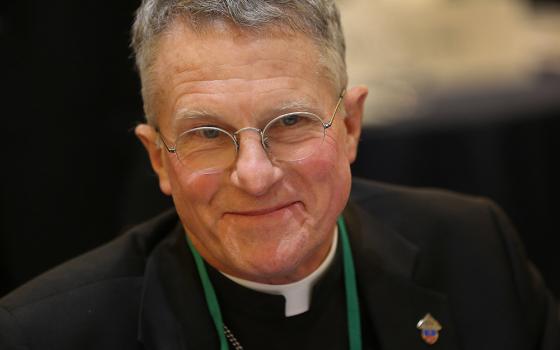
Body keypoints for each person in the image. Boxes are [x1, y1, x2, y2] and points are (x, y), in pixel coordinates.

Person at [1, 0, 558, 349]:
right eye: (207, 135)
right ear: (157, 160)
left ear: (351, 127)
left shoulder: (474, 249)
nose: (255, 175)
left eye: (290, 122)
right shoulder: (45, 333)